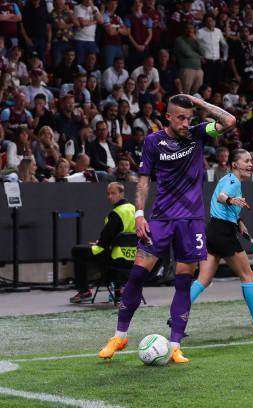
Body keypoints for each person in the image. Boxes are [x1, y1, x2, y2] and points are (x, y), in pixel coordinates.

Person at [98, 94, 236, 363]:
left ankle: (174, 346)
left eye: (189, 118)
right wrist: (139, 214)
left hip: (191, 220)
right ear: (168, 117)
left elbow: (229, 121)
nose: (186, 123)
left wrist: (200, 103)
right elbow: (143, 181)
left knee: (183, 281)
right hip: (161, 218)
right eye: (181, 118)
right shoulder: (153, 142)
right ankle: (119, 336)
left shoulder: (198, 133)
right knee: (137, 274)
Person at [190, 149, 253, 332]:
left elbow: (224, 206)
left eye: (251, 161)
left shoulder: (227, 179)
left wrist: (238, 221)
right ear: (234, 164)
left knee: (204, 279)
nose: (250, 164)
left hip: (213, 231)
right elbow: (222, 198)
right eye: (246, 161)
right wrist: (231, 200)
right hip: (223, 234)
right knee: (247, 275)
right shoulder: (233, 181)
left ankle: (178, 313)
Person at [69, 182, 136, 303]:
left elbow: (104, 241)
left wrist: (98, 243)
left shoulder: (117, 213)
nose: (110, 196)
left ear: (122, 193)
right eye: (108, 194)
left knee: (77, 251)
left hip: (115, 255)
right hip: (133, 256)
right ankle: (118, 289)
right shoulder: (133, 209)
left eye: (113, 193)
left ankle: (84, 291)